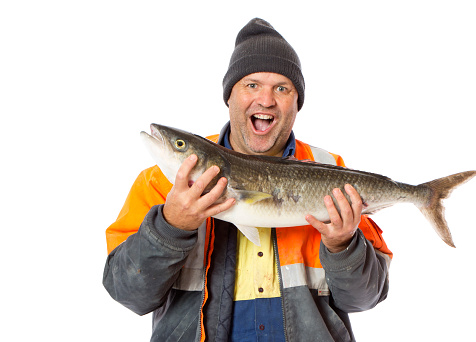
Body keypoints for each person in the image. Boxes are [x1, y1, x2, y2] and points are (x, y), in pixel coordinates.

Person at [103, 18, 393, 342]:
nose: (266, 100)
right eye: (252, 84)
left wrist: (343, 246)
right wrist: (171, 225)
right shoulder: (160, 182)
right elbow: (127, 292)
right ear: (229, 96)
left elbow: (365, 299)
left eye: (282, 88)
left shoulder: (330, 169)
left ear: (297, 103)